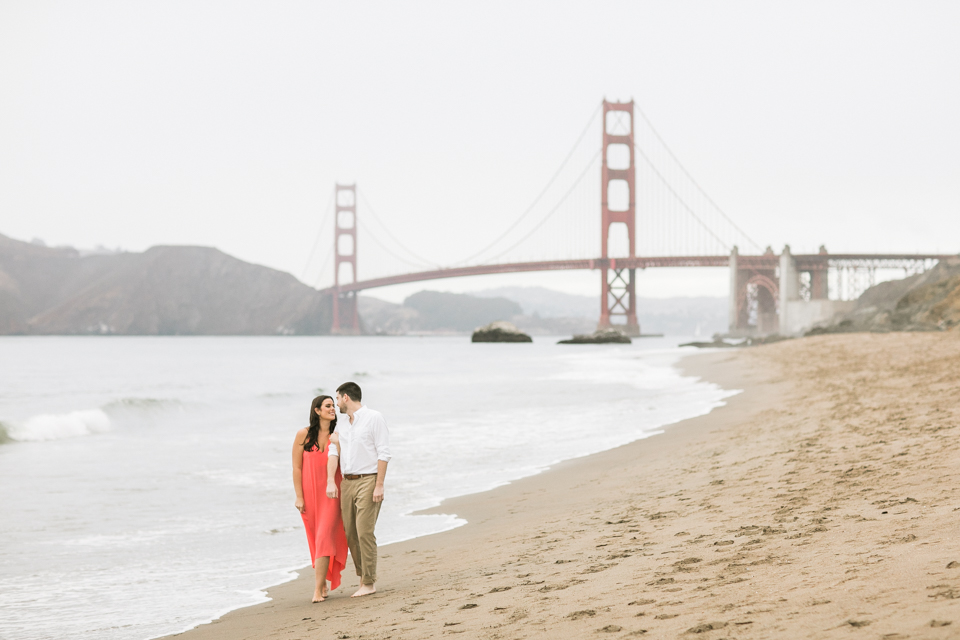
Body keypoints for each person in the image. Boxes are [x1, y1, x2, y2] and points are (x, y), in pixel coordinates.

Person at [326, 381, 391, 597]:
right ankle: (363, 577)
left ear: (346, 397)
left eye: (337, 399)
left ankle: (369, 582)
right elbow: (334, 453)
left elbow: (383, 453)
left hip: (368, 479)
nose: (336, 404)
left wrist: (379, 485)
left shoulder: (374, 418)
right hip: (347, 482)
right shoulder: (341, 425)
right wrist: (330, 481)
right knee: (350, 533)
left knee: (364, 530)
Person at [292, 395, 348, 602]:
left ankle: (317, 590)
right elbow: (296, 467)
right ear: (317, 410)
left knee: (324, 536)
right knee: (316, 540)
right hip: (309, 494)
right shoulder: (303, 435)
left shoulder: (339, 434)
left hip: (332, 493)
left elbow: (348, 460)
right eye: (328, 406)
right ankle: (323, 580)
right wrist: (299, 496)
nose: (332, 409)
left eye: (333, 405)